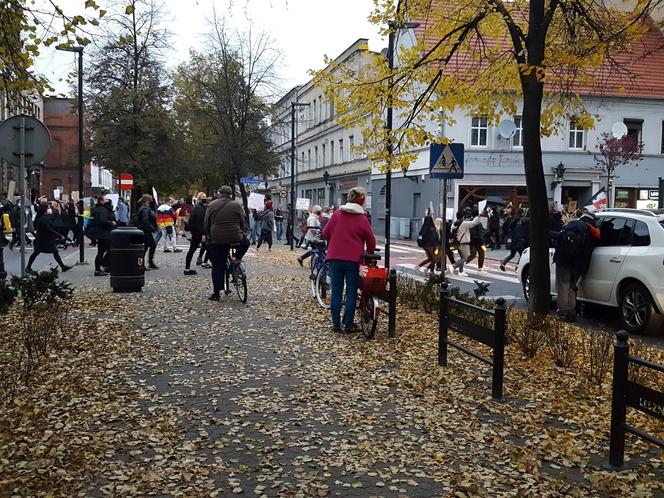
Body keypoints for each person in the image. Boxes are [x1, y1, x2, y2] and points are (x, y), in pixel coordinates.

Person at [322, 187, 376, 333]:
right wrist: (370, 253)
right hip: (353, 260)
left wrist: (335, 240)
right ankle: (348, 324)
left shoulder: (337, 214)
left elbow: (325, 233)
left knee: (336, 291)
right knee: (351, 291)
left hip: (335, 258)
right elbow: (371, 240)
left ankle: (335, 324)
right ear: (361, 201)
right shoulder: (362, 218)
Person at [550, 212, 601, 322]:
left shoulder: (576, 224)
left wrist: (547, 232)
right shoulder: (594, 232)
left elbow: (560, 236)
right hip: (579, 264)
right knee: (572, 287)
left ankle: (562, 312)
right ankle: (571, 311)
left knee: (563, 286)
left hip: (564, 260)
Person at [204, 185, 250, 301]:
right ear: (230, 194)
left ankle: (216, 293)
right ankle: (236, 260)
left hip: (218, 238)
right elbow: (242, 220)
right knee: (246, 243)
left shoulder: (212, 205)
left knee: (217, 265)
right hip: (235, 236)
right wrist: (240, 229)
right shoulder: (236, 205)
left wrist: (209, 235)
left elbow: (206, 223)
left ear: (219, 193)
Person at [25, 202, 72, 275]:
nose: (49, 209)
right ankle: (63, 267)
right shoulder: (43, 218)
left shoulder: (41, 216)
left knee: (38, 252)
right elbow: (49, 229)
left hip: (42, 239)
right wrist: (60, 236)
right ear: (45, 209)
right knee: (51, 252)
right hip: (44, 240)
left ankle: (28, 267)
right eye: (48, 207)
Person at [86, 195, 116, 276]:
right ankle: (99, 268)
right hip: (104, 234)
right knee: (104, 251)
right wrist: (111, 222)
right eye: (105, 199)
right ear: (101, 201)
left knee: (103, 251)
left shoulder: (96, 208)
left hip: (100, 233)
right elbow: (102, 221)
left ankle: (102, 266)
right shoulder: (102, 210)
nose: (106, 200)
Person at [448, 209, 481, 277]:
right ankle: (453, 266)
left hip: (457, 243)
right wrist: (478, 217)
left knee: (462, 257)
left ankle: (461, 271)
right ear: (463, 217)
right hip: (464, 243)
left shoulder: (455, 223)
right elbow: (473, 223)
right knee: (465, 258)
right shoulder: (464, 223)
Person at [184, 192, 209, 275]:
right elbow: (200, 221)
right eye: (203, 197)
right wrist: (203, 234)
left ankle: (187, 268)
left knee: (193, 249)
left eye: (205, 196)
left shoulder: (197, 207)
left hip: (196, 232)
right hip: (199, 232)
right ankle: (189, 268)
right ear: (199, 198)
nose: (205, 198)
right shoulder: (200, 208)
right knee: (207, 248)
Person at [136, 194, 159, 270]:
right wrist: (151, 227)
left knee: (147, 247)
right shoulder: (145, 209)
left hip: (144, 229)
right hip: (146, 230)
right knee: (149, 246)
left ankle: (145, 263)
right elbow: (145, 220)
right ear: (147, 200)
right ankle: (146, 263)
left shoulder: (144, 208)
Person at [465, 208, 487, 274]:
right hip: (478, 241)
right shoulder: (478, 222)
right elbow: (480, 233)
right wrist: (483, 242)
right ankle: (480, 269)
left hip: (471, 240)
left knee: (473, 254)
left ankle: (461, 263)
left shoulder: (470, 221)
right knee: (481, 253)